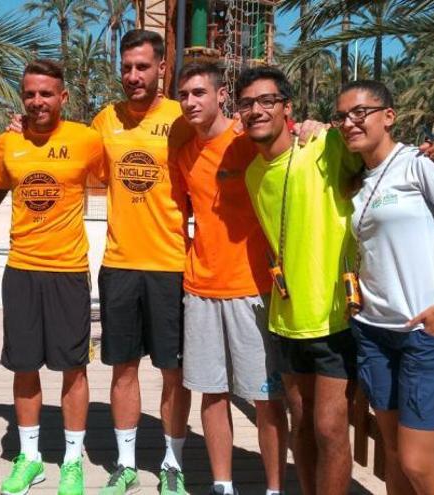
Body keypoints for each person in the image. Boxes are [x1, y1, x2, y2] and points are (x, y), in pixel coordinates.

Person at [239, 66, 434, 495]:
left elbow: (380, 144)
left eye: (267, 101)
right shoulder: (252, 174)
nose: (256, 110)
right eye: (247, 103)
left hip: (339, 314)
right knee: (301, 424)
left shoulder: (325, 144)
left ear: (287, 108)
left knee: (329, 427)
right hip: (286, 316)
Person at [335, 80, 434, 495]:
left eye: (359, 112)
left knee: (418, 461)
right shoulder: (356, 181)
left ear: (388, 117)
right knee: (393, 454)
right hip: (375, 331)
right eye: (341, 117)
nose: (349, 123)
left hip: (429, 333)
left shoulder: (424, 164)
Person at [172, 61, 288, 495]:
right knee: (211, 393)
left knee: (266, 400)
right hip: (200, 290)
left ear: (222, 96)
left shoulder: (250, 140)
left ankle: (274, 488)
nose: (190, 102)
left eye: (199, 93)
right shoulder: (185, 155)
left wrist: (313, 126)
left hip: (252, 290)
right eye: (183, 95)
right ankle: (223, 485)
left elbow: (293, 143)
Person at [0, 59, 104, 495]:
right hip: (20, 270)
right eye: (30, 94)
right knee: (24, 368)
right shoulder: (9, 144)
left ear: (63, 97)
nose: (37, 101)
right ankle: (31, 458)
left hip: (68, 272)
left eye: (46, 93)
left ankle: (72, 460)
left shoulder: (86, 140)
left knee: (73, 369)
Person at [88, 30, 192, 495]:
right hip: (120, 264)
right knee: (123, 368)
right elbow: (75, 167)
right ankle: (126, 462)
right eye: (127, 67)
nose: (133, 76)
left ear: (161, 68)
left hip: (171, 265)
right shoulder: (103, 121)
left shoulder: (181, 118)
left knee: (174, 371)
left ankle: (172, 462)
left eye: (142, 67)